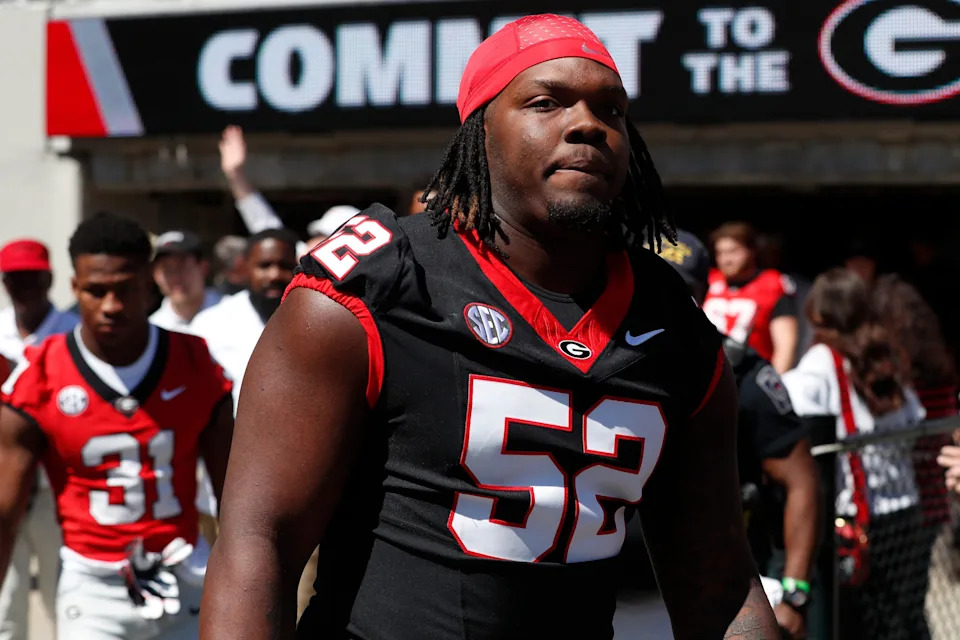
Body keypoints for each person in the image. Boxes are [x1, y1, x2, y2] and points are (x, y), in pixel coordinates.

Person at [201, 14, 777, 640]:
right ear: (481, 132)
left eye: (611, 110)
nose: (587, 124)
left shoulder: (671, 324)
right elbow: (260, 542)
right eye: (545, 102)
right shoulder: (378, 285)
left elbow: (719, 583)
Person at [0, 212, 234, 640]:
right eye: (96, 290)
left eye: (124, 289)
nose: (111, 305)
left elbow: (235, 501)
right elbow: (3, 513)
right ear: (74, 288)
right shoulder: (39, 375)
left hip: (183, 571)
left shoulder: (195, 362)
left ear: (149, 284)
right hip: (93, 587)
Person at [656, 230, 820, 639]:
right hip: (615, 582)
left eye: (677, 288)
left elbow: (802, 481)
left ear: (701, 291)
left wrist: (795, 592)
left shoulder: (736, 367)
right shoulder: (594, 359)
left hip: (725, 581)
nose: (657, 302)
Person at [782, 268, 931, 640]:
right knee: (902, 622)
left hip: (853, 525)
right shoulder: (885, 355)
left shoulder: (821, 362)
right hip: (906, 514)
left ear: (818, 312)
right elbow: (917, 416)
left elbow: (785, 406)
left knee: (854, 628)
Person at [0, 238, 78, 640]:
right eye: (14, 278)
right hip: (3, 485)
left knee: (61, 597)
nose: (24, 286)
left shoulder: (73, 332)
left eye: (32, 276)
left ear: (49, 279)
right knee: (5, 605)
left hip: (55, 488)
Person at [190, 228, 297, 409]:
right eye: (264, 266)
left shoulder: (315, 321)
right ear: (245, 268)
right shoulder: (210, 324)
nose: (274, 275)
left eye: (285, 266)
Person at [703, 221, 799, 373]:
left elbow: (786, 346)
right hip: (709, 373)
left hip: (752, 375)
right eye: (720, 253)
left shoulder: (773, 284)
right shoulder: (707, 281)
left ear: (751, 250)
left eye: (733, 251)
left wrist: (773, 385)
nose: (726, 259)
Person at [149, 231, 221, 333]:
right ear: (155, 276)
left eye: (182, 267)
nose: (176, 277)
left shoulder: (235, 313)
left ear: (203, 268)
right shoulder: (153, 331)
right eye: (167, 270)